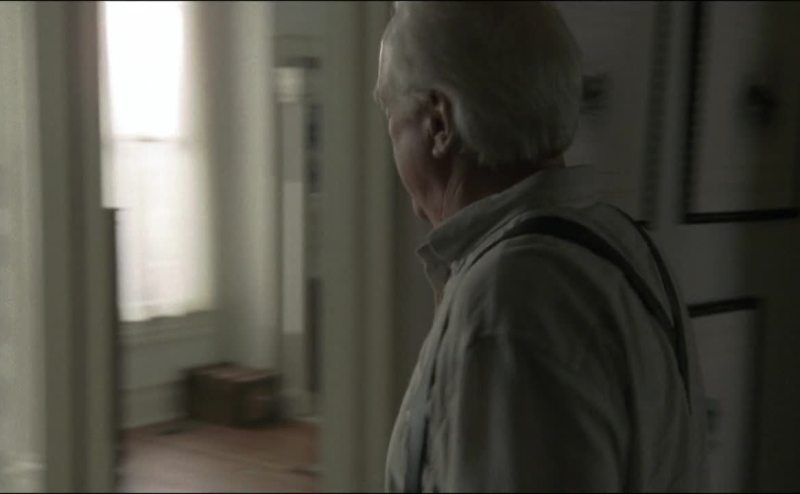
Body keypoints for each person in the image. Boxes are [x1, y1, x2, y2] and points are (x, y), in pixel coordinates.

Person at [374, 2, 708, 492]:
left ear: (439, 125)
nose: (391, 143)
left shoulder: (507, 302)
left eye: (391, 115)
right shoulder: (628, 245)